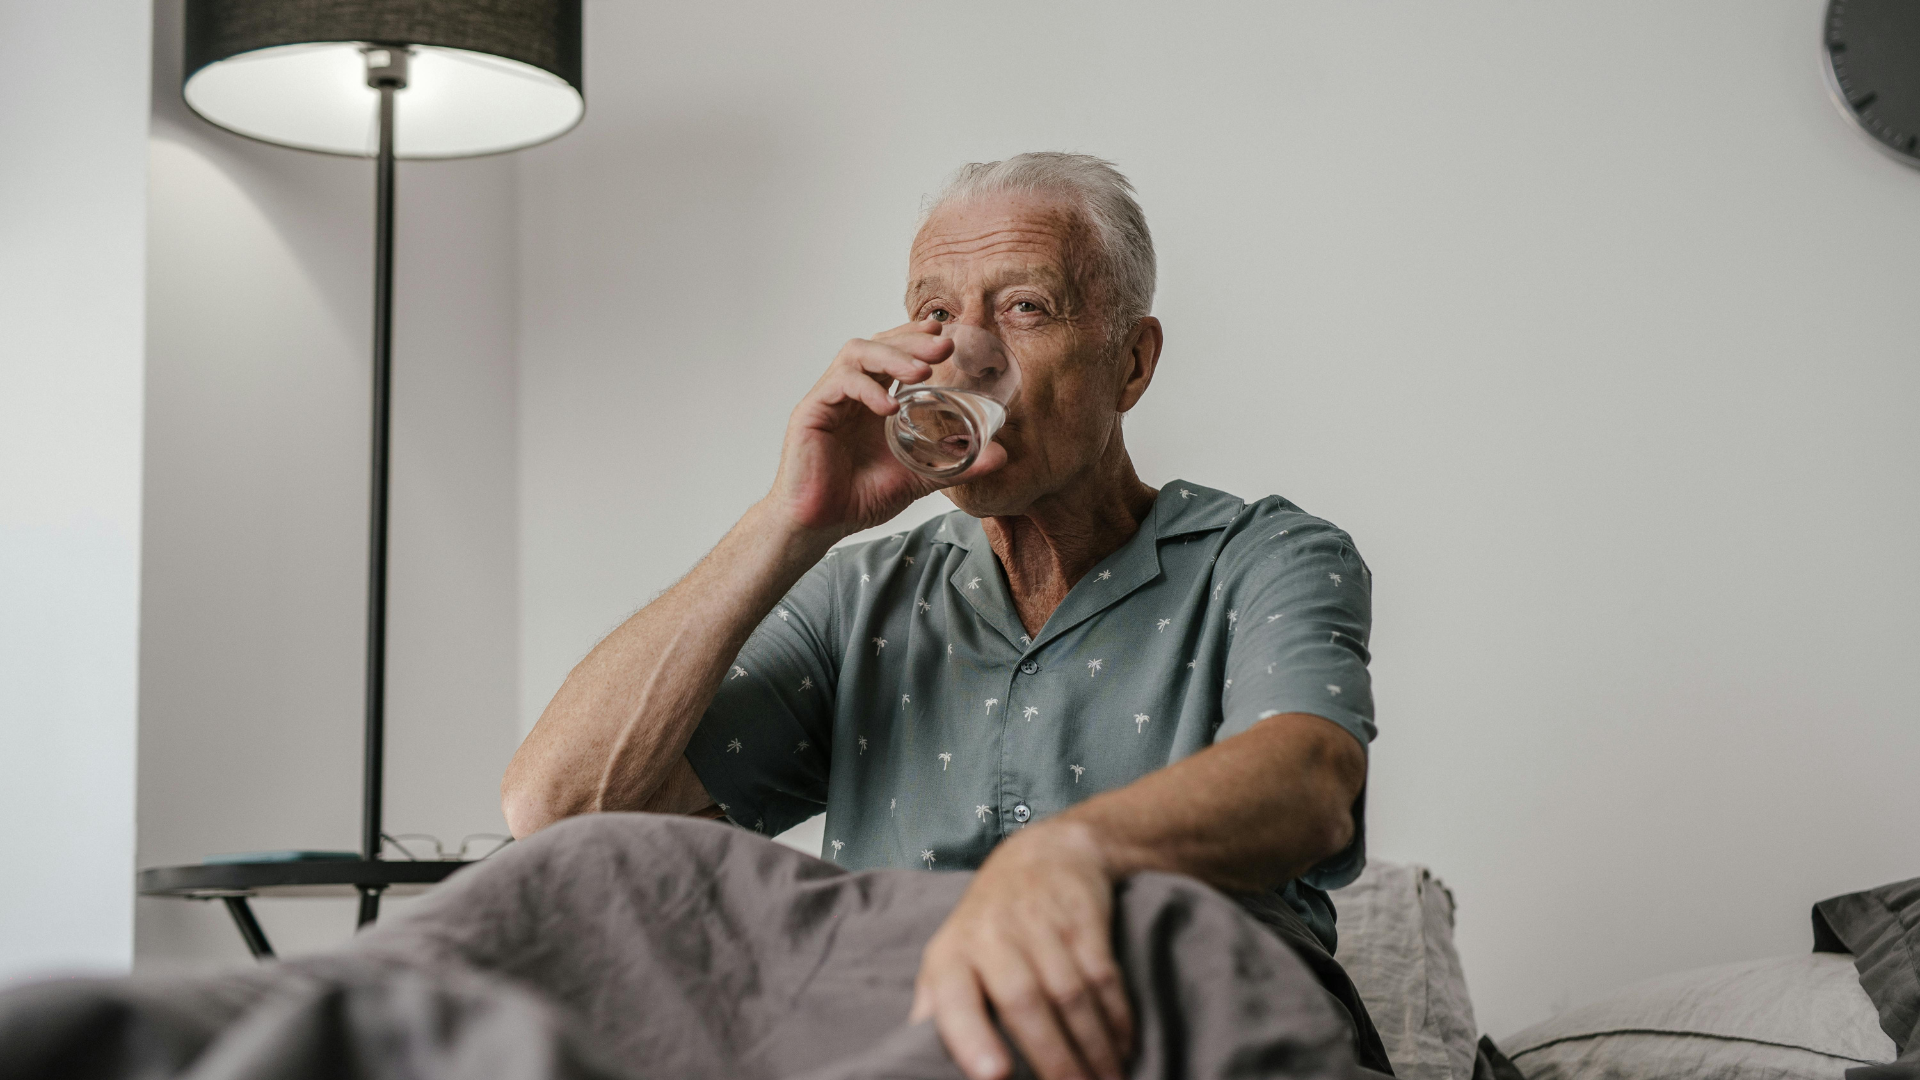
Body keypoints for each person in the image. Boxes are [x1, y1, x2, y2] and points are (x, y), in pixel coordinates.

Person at [501, 152, 1383, 1080]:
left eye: (1025, 308)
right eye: (935, 314)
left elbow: (1311, 780)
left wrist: (1069, 857)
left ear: (1132, 361)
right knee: (492, 937)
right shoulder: (859, 596)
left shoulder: (1265, 554)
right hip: (916, 1039)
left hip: (1189, 1027)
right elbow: (556, 811)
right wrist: (787, 522)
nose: (968, 351)